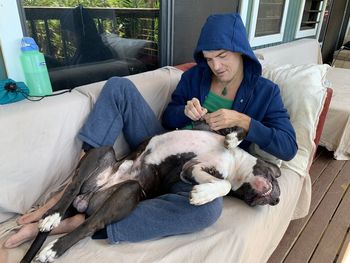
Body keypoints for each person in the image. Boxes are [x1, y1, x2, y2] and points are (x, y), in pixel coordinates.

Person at [4, 13, 297, 248]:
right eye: (208, 58)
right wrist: (184, 111)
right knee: (119, 86)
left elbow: (287, 146)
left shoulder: (265, 92)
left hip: (195, 168)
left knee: (207, 212)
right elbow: (169, 117)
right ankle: (69, 190)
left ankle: (85, 222)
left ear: (241, 51)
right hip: (160, 142)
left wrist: (245, 122)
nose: (215, 66)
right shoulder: (196, 76)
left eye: (222, 56)